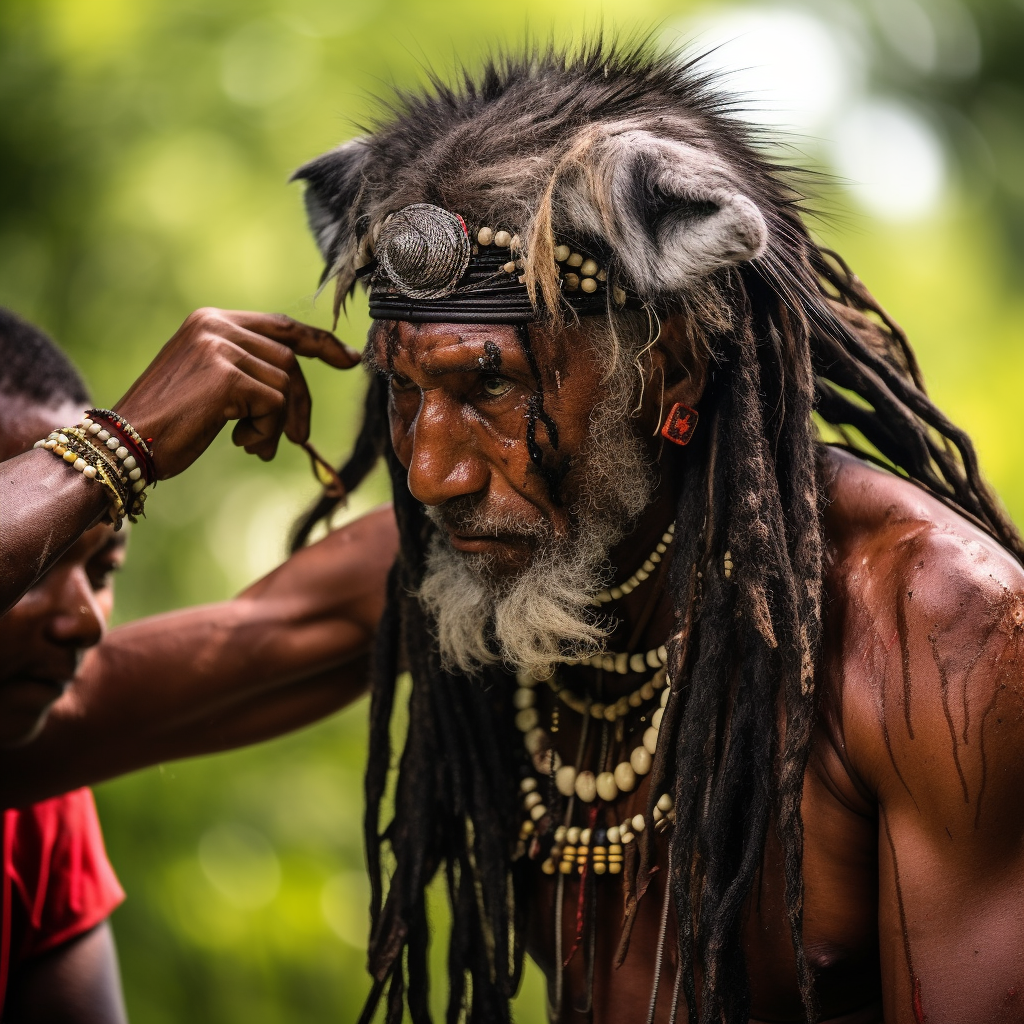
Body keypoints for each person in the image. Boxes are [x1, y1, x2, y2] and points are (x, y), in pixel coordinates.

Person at [275, 41, 1021, 1024]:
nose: (427, 473)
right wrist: (116, 452)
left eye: (489, 384)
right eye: (406, 392)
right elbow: (53, 713)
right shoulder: (458, 559)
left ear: (664, 366)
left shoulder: (938, 627)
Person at [0, 309, 392, 1020]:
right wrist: (118, 443)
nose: (86, 618)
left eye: (103, 567)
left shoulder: (36, 807)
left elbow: (319, 617)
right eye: (34, 565)